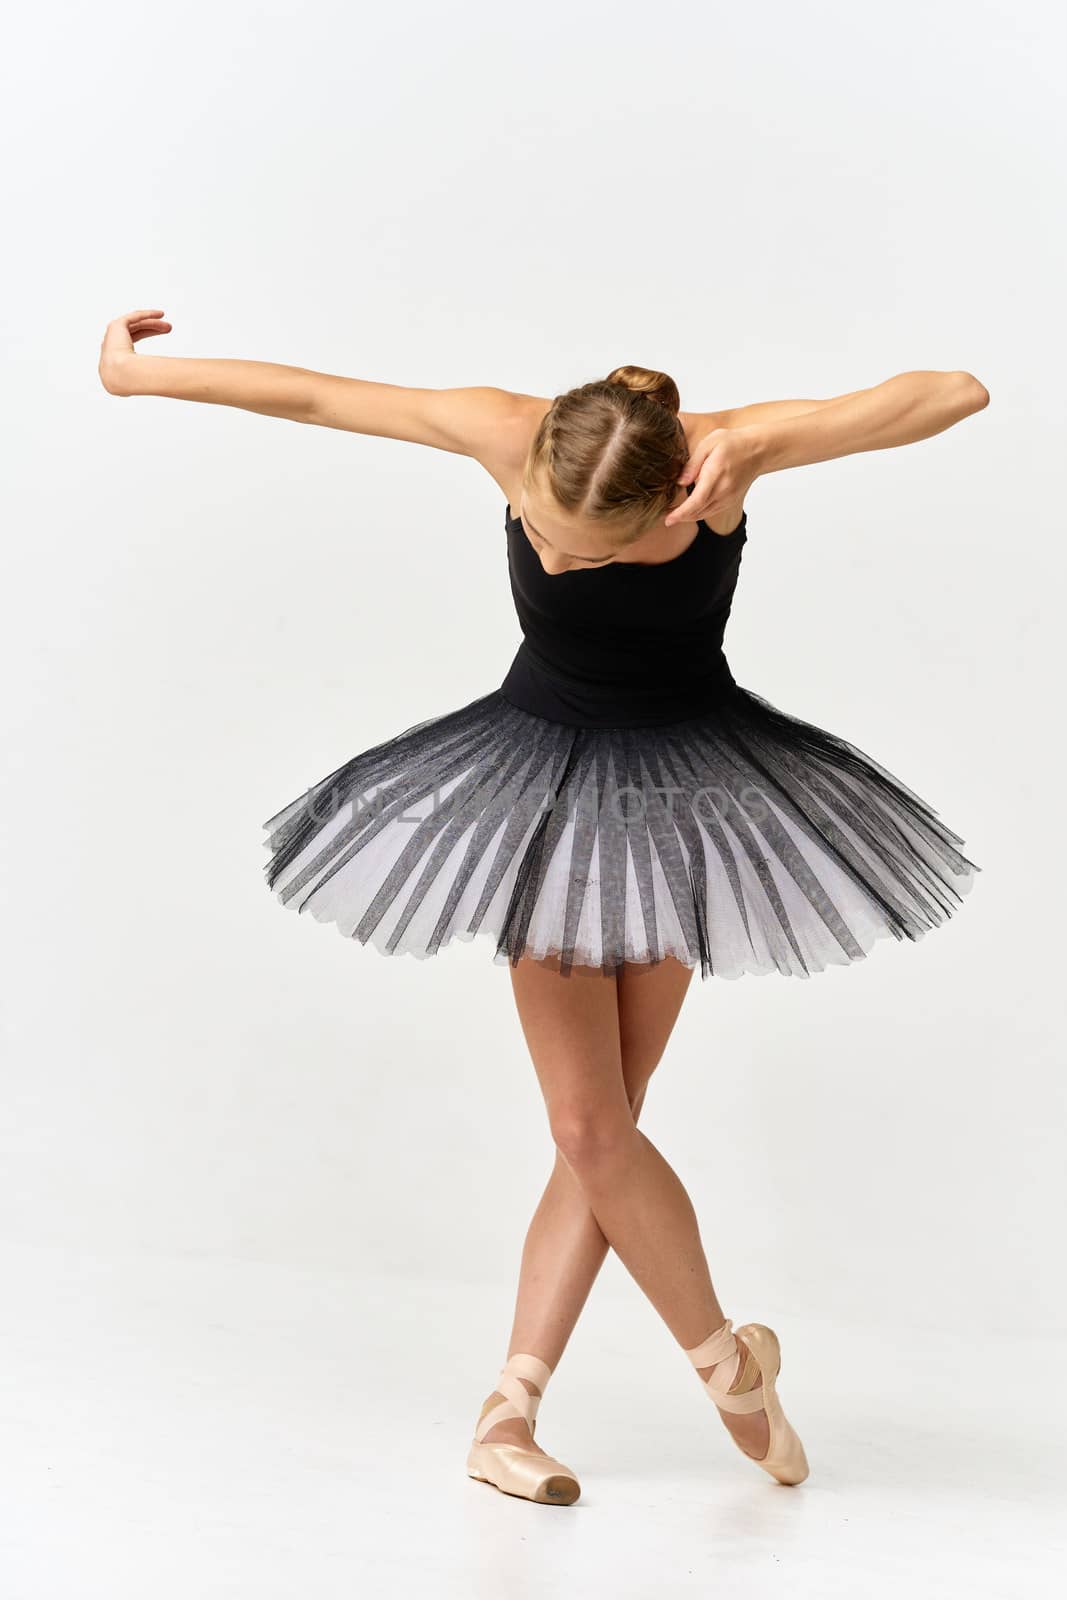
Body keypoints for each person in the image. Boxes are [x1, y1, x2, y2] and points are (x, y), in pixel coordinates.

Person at [98, 310, 987, 1506]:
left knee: (607, 1126)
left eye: (595, 556)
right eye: (544, 544)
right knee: (589, 1131)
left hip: (687, 794)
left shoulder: (716, 460)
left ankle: (505, 1409)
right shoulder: (503, 430)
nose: (561, 568)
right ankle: (726, 1364)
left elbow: (952, 391)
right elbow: (315, 394)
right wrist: (134, 375)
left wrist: (750, 449)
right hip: (547, 789)